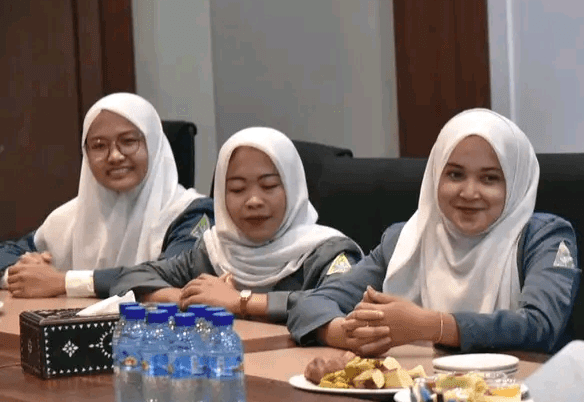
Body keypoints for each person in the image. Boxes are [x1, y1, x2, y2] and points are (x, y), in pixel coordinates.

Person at [287, 108, 580, 355]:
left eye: (490, 179)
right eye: (454, 175)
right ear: (434, 176)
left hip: (519, 392)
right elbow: (309, 304)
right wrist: (348, 335)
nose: (469, 192)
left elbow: (541, 326)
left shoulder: (544, 238)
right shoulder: (406, 239)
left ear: (516, 183)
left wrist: (430, 325)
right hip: (415, 392)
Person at [110, 127, 361, 322]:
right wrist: (187, 298)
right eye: (238, 189)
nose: (253, 201)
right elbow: (130, 279)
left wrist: (240, 301)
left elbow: (341, 300)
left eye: (269, 186)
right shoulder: (215, 251)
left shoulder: (327, 252)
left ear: (293, 189)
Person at [1, 93, 212, 298]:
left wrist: (64, 282)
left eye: (128, 141)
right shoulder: (69, 216)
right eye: (99, 146)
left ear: (153, 145)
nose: (115, 156)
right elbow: (6, 253)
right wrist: (21, 275)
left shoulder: (192, 212)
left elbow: (174, 275)